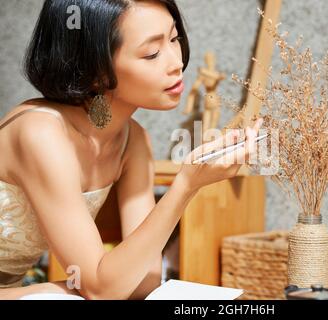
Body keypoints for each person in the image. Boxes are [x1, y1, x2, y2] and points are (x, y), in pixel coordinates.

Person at [0, 0, 262, 300]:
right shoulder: (40, 134)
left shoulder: (132, 140)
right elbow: (100, 290)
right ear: (94, 69)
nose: (175, 62)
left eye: (174, 39)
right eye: (152, 53)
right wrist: (186, 185)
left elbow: (144, 280)